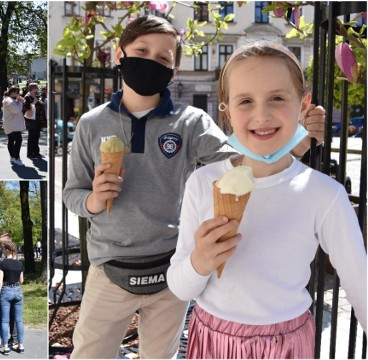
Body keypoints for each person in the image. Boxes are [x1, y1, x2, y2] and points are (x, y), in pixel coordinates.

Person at [61, 15, 325, 359]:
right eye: (142, 50)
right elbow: (72, 194)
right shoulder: (90, 123)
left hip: (170, 272)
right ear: (119, 54)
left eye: (163, 58)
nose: (151, 61)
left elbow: (246, 165)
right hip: (109, 271)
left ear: (173, 69)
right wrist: (94, 200)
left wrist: (298, 138)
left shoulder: (191, 122)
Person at [167, 41, 367, 359]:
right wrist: (200, 262)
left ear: (303, 105)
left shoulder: (324, 195)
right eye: (245, 100)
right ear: (227, 111)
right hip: (212, 342)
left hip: (287, 345)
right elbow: (179, 287)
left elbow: (360, 282)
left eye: (276, 97)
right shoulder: (203, 183)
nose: (262, 114)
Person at [0, 241, 25, 355]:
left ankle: (6, 347)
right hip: (18, 291)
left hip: (6, 290)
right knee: (19, 320)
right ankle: (21, 345)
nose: (2, 250)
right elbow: (21, 281)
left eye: (2, 249)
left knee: (5, 320)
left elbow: (0, 282)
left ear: (7, 249)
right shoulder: (19, 264)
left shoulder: (3, 264)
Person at [2, 86, 26, 167]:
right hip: (12, 125)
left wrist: (18, 101)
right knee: (18, 140)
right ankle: (16, 158)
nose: (18, 94)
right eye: (17, 92)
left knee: (11, 140)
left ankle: (12, 157)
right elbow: (15, 110)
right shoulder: (9, 101)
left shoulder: (9, 99)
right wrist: (20, 102)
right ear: (12, 93)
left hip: (11, 124)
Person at [23, 83, 41, 160]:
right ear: (33, 89)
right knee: (32, 136)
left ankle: (36, 151)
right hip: (31, 119)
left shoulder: (36, 96)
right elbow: (25, 107)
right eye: (36, 88)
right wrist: (34, 103)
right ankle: (30, 153)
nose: (37, 89)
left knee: (36, 136)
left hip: (37, 119)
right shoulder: (27, 97)